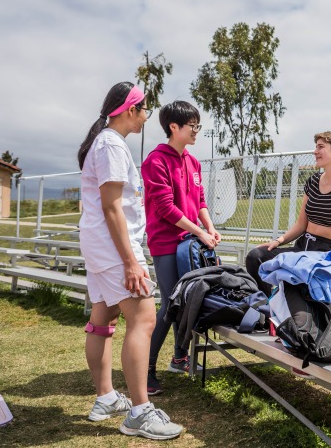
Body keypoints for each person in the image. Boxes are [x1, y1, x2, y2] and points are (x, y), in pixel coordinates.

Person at [78, 81, 183, 440]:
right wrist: (130, 262)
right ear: (129, 109)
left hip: (100, 246)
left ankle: (107, 397)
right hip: (113, 248)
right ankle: (140, 412)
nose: (146, 117)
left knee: (102, 318)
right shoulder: (110, 144)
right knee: (144, 318)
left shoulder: (106, 142)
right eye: (144, 110)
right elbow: (111, 207)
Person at [141, 100, 220, 396]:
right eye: (193, 126)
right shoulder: (155, 161)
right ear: (174, 127)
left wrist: (209, 227)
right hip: (165, 243)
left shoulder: (193, 161)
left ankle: (178, 358)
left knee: (188, 301)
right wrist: (200, 231)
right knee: (170, 304)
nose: (197, 131)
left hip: (190, 243)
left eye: (198, 125)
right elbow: (165, 208)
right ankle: (146, 369)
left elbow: (199, 200)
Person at [245, 131, 331, 295]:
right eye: (316, 147)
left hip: (325, 253)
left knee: (299, 289)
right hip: (302, 247)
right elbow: (301, 224)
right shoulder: (313, 181)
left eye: (321, 147)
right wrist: (278, 241)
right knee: (255, 257)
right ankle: (267, 306)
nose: (315, 151)